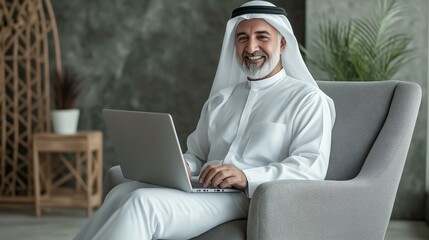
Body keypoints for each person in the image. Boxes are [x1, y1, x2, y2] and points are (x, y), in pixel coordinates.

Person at [75, 1, 335, 239]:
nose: (251, 47)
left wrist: (245, 175)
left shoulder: (308, 100)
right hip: (205, 189)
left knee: (142, 204)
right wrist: (185, 166)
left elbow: (310, 167)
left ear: (282, 44)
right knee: (122, 192)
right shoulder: (221, 100)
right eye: (242, 38)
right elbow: (197, 154)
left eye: (262, 37)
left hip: (250, 197)